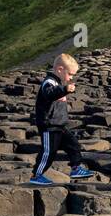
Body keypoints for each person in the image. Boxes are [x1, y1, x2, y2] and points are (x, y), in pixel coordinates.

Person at [29, 53, 94, 185]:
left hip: (60, 125)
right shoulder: (49, 82)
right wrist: (64, 89)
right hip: (49, 125)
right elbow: (49, 94)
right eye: (70, 74)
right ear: (60, 69)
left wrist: (63, 89)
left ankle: (76, 168)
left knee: (73, 145)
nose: (71, 78)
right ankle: (36, 175)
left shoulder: (58, 83)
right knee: (49, 152)